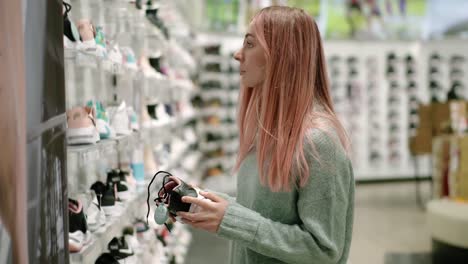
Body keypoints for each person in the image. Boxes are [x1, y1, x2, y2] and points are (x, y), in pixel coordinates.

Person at [177, 6, 354, 264]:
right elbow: (267, 212)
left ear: (282, 56)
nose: (238, 54)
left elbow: (323, 248)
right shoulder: (267, 132)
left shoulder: (318, 143)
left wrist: (234, 221)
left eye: (250, 44)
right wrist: (209, 204)